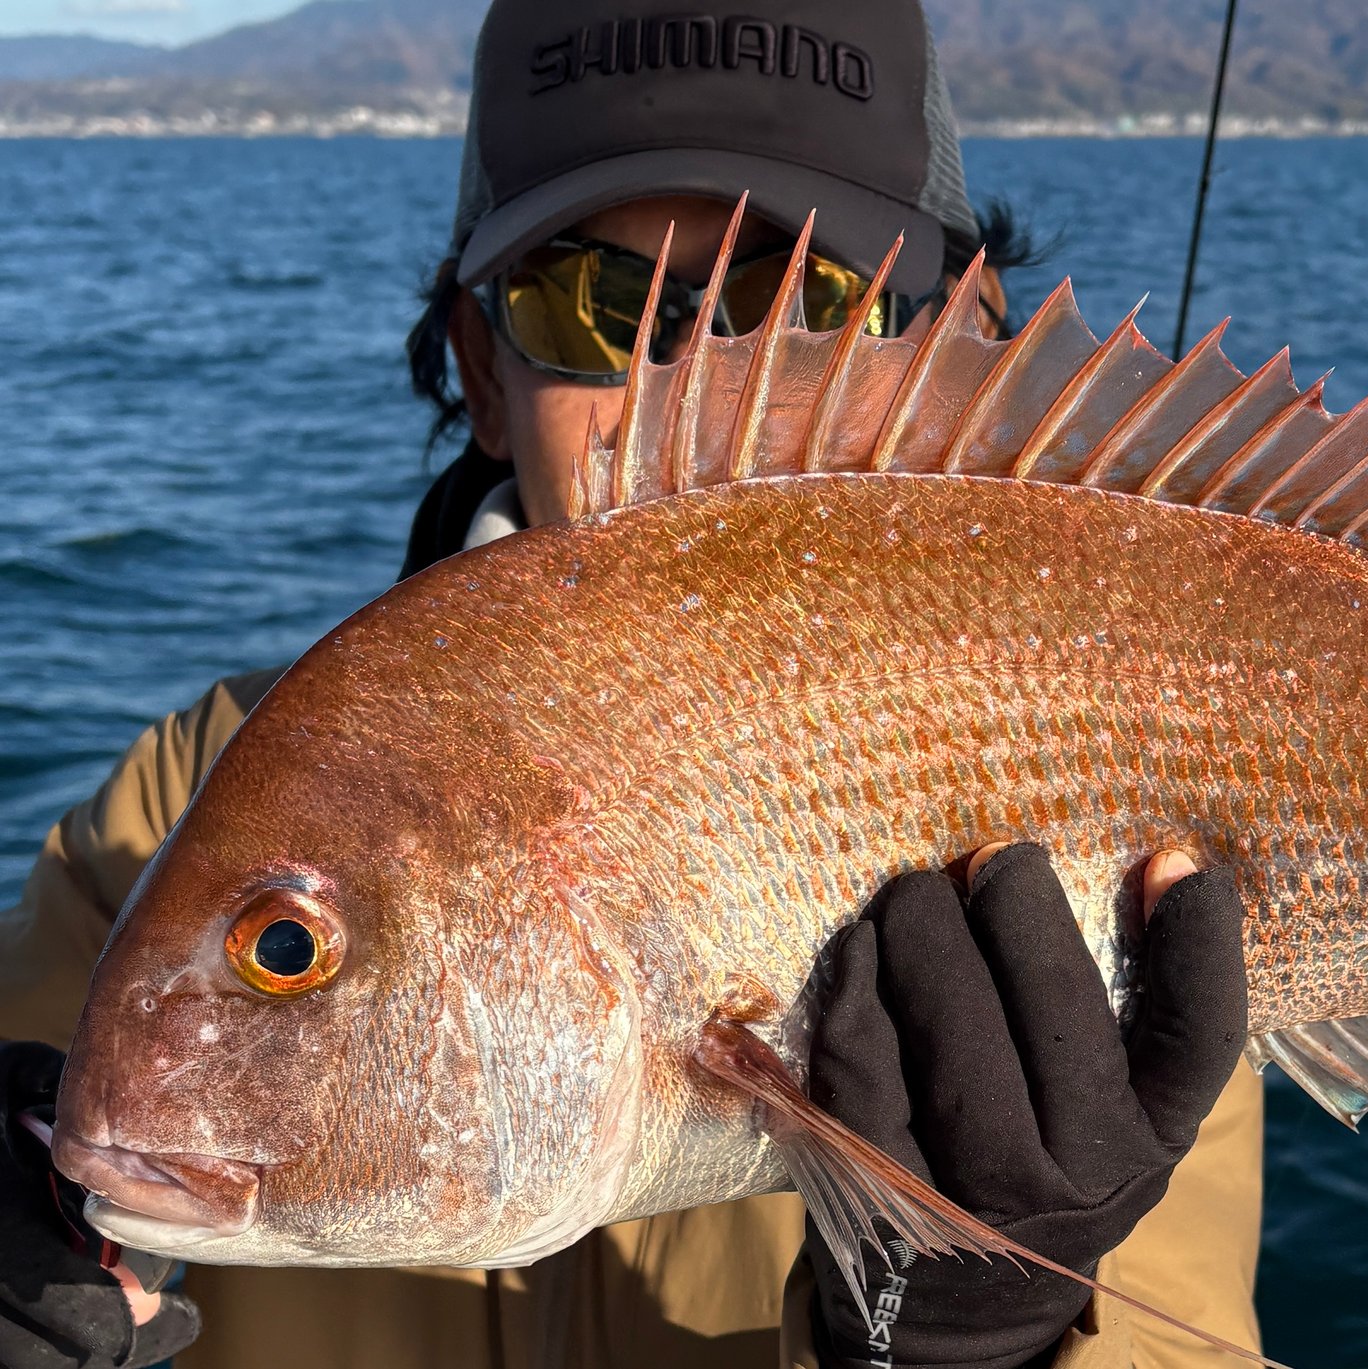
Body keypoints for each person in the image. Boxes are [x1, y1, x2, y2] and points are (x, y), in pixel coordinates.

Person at [0, 1, 1267, 1368]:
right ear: (485, 367)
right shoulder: (182, 804)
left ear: (946, 345)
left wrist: (976, 1344)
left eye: (800, 300)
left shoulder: (1110, 782)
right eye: (590, 304)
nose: (692, 374)